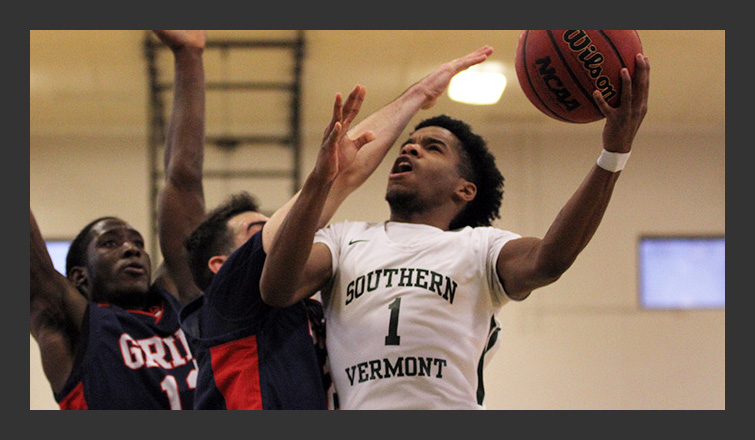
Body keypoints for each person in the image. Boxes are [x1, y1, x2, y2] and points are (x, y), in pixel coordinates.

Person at [259, 52, 651, 409]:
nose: (408, 149)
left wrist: (613, 155)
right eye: (408, 145)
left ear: (464, 190)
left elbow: (549, 260)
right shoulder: (344, 240)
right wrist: (321, 180)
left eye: (432, 147)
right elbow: (277, 288)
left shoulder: (479, 248)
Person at [176, 46, 495, 409]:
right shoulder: (229, 302)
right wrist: (417, 95)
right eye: (256, 228)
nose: (282, 230)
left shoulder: (313, 307)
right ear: (220, 267)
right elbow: (341, 178)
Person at [28, 30, 207, 410]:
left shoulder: (176, 300)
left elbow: (184, 180)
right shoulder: (69, 322)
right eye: (111, 243)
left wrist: (188, 54)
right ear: (79, 277)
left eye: (138, 243)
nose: (132, 249)